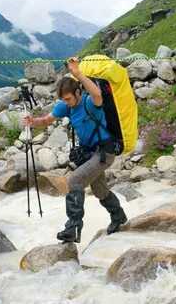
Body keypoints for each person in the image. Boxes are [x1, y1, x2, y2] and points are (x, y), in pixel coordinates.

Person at [23, 57, 127, 243]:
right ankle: (119, 217)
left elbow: (97, 95)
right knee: (100, 190)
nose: (67, 102)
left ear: (78, 92)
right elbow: (47, 120)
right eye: (63, 99)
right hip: (89, 153)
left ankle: (73, 228)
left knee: (75, 180)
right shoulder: (65, 105)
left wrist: (78, 73)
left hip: (105, 151)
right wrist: (33, 122)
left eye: (69, 98)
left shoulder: (89, 102)